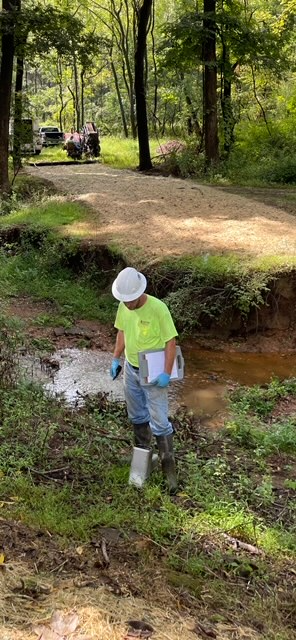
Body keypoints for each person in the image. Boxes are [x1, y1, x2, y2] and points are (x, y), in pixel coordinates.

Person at [110, 266, 178, 493]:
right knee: (137, 415)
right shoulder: (123, 306)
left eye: (130, 300)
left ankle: (170, 475)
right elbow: (122, 332)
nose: (128, 304)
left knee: (159, 421)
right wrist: (116, 358)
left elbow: (170, 341)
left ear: (140, 293)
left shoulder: (159, 309)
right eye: (125, 300)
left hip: (153, 369)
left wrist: (166, 373)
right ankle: (141, 468)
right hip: (131, 367)